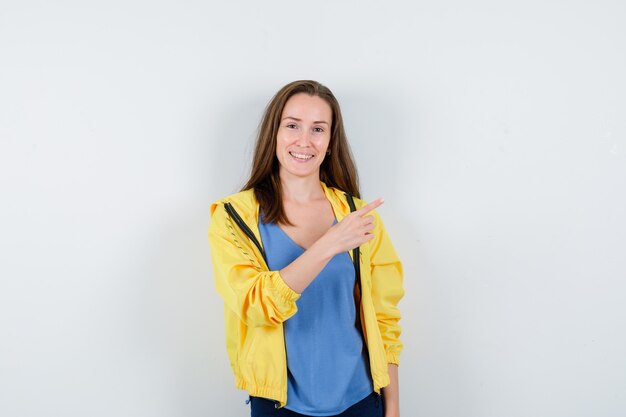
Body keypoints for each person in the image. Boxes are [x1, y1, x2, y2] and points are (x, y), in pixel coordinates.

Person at [208, 80, 404, 417]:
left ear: (330, 142)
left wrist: (393, 407)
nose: (304, 140)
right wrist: (328, 245)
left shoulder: (358, 217)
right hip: (278, 405)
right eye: (292, 125)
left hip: (359, 401)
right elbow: (255, 305)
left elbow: (384, 320)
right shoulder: (233, 217)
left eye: (318, 129)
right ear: (275, 134)